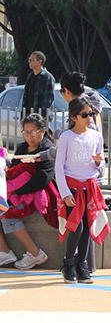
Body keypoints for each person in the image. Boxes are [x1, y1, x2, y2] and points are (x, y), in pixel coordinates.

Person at [55, 96, 109, 284]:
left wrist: (98, 162)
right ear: (73, 117)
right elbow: (59, 168)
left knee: (87, 226)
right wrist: (65, 193)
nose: (89, 118)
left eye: (91, 114)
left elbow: (100, 165)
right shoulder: (66, 137)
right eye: (85, 114)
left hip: (90, 187)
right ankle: (68, 264)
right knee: (76, 227)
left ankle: (82, 265)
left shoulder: (96, 136)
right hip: (72, 188)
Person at [0, 113, 56, 270]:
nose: (29, 136)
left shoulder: (48, 149)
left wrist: (17, 192)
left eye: (33, 132)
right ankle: (4, 251)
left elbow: (43, 179)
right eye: (26, 132)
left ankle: (34, 252)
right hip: (21, 194)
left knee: (8, 213)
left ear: (42, 131)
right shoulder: (22, 147)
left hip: (41, 195)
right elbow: (14, 169)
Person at [21, 51, 55, 118]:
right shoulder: (30, 76)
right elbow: (25, 97)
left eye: (31, 60)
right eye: (29, 59)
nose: (29, 61)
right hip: (28, 116)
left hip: (41, 118)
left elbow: (48, 100)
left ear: (39, 61)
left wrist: (41, 118)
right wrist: (23, 115)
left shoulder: (47, 77)